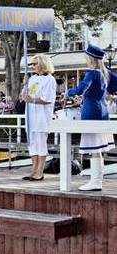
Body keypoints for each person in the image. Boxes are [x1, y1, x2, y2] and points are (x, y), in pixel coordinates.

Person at [66, 44, 117, 191]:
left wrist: (69, 92)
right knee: (98, 150)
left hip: (91, 113)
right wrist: (108, 94)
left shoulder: (92, 73)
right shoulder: (105, 73)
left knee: (94, 150)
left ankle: (95, 182)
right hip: (102, 112)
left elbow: (82, 88)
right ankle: (96, 181)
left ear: (90, 58)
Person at [21, 54, 57, 181]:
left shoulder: (50, 79)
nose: (32, 67)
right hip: (31, 116)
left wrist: (33, 100)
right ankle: (34, 170)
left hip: (42, 117)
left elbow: (48, 99)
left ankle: (40, 171)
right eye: (31, 64)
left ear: (42, 64)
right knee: (33, 144)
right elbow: (25, 97)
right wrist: (25, 85)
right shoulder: (33, 78)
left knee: (41, 144)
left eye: (35, 64)